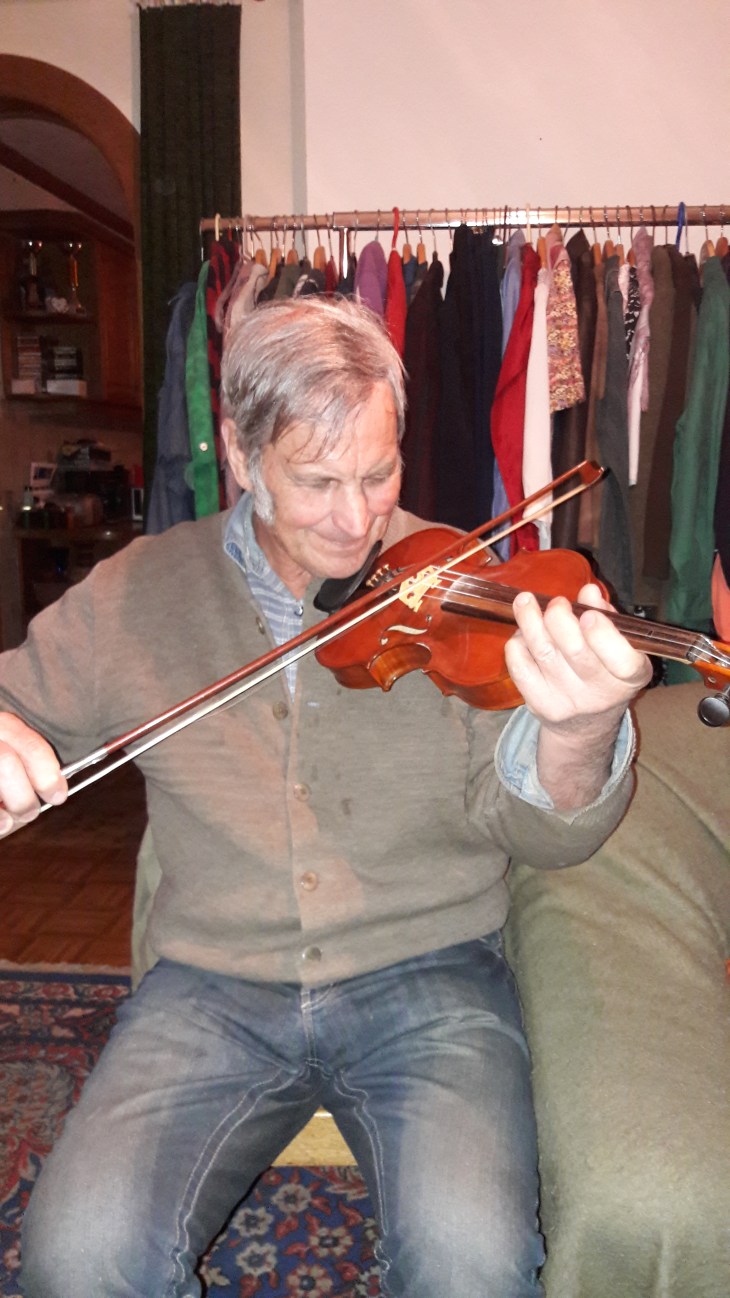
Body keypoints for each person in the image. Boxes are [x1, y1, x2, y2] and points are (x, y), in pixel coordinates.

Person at [0, 296, 651, 1298]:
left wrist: (578, 733)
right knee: (77, 1258)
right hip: (212, 984)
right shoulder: (136, 592)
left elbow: (541, 829)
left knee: (473, 1262)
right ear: (240, 451)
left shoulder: (461, 582)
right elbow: (15, 699)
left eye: (379, 474)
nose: (357, 519)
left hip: (432, 974)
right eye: (316, 482)